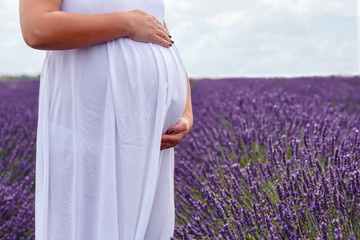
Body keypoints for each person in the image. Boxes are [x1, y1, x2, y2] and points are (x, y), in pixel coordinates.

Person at [19, 0, 193, 238]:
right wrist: (126, 23)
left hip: (148, 138)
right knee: (90, 222)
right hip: (89, 122)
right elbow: (36, 27)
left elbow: (162, 34)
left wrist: (185, 112)